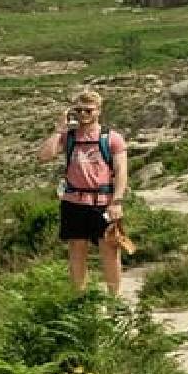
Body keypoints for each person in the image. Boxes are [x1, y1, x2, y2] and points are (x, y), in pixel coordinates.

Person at [37, 89, 128, 295]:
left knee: (110, 252)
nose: (83, 115)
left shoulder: (111, 138)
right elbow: (43, 156)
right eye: (78, 110)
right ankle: (80, 298)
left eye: (88, 110)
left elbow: (122, 170)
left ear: (98, 111)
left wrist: (117, 201)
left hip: (103, 202)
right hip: (74, 202)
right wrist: (59, 130)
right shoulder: (69, 138)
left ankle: (114, 299)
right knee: (77, 253)